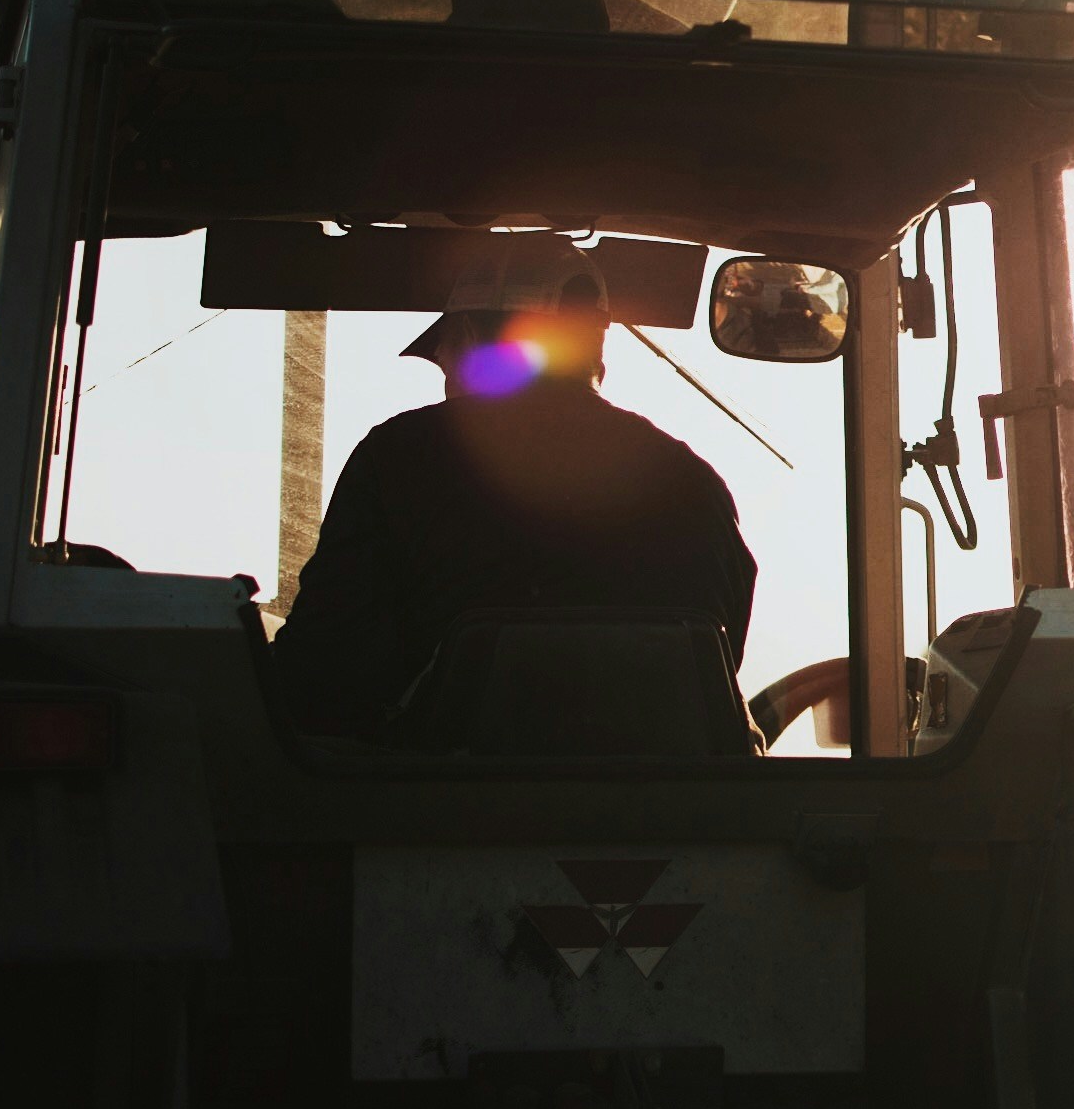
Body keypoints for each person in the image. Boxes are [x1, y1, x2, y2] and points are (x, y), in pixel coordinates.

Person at [268, 240, 756, 737]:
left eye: (444, 355)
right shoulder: (694, 481)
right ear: (597, 347)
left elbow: (324, 665)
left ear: (470, 335)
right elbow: (715, 667)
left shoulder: (398, 457)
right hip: (665, 803)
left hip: (435, 800)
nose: (444, 373)